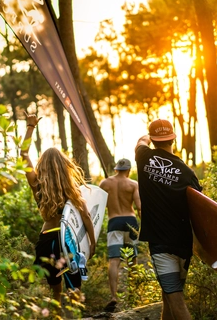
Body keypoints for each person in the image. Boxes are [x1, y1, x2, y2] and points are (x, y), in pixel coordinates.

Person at [20, 112, 96, 306]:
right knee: (74, 288)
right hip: (67, 239)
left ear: (42, 165)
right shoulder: (72, 189)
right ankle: (74, 314)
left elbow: (23, 154)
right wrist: (91, 243)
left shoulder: (37, 184)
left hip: (47, 239)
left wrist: (30, 127)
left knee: (56, 290)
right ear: (64, 167)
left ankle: (58, 315)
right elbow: (86, 216)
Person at [134, 119, 202, 320]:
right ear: (174, 138)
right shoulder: (187, 173)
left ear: (153, 141)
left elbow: (140, 142)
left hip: (161, 245)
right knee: (168, 295)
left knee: (176, 300)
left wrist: (148, 136)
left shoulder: (144, 157)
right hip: (183, 245)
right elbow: (199, 209)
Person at [99, 158, 141, 312]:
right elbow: (139, 207)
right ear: (129, 170)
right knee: (132, 259)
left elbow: (98, 205)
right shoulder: (133, 184)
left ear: (116, 169)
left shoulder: (105, 183)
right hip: (130, 221)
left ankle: (114, 297)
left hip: (114, 221)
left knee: (114, 260)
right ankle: (134, 294)